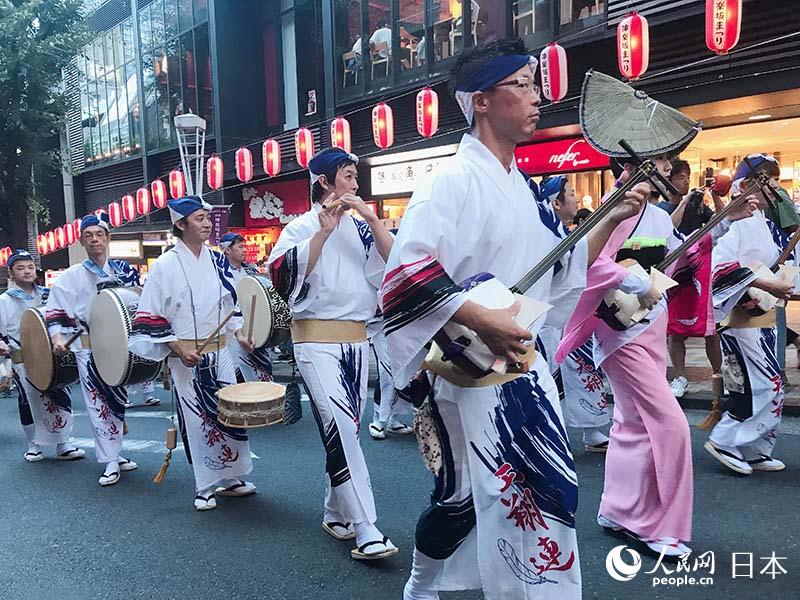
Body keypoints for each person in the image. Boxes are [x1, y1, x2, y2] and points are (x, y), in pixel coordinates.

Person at [384, 39, 648, 600]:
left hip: (521, 364)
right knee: (471, 499)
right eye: (522, 85)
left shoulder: (522, 188)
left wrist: (614, 214)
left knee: (546, 488)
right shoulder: (447, 182)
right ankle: (421, 583)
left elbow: (559, 268)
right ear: (481, 101)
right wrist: (481, 318)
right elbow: (407, 275)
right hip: (467, 370)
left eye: (534, 84)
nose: (536, 98)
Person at [558, 155, 757, 558]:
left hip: (651, 324)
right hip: (621, 331)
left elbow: (676, 259)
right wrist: (627, 275)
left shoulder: (660, 216)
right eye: (658, 163)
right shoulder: (613, 209)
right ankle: (657, 526)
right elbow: (582, 265)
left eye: (666, 163)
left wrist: (722, 225)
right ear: (630, 168)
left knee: (630, 422)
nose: (666, 170)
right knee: (670, 425)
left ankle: (617, 510)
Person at [268, 147, 398, 561]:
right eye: (347, 176)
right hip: (315, 341)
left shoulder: (362, 230)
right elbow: (280, 277)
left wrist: (375, 220)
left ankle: (334, 512)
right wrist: (321, 234)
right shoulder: (299, 227)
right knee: (341, 425)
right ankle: (366, 527)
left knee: (347, 429)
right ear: (323, 182)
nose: (355, 185)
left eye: (355, 177)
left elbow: (394, 264)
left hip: (357, 339)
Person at [129, 196, 257, 511]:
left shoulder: (216, 260)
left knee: (230, 412)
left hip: (220, 351)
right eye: (198, 218)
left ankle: (232, 476)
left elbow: (229, 302)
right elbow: (151, 316)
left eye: (207, 218)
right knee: (197, 418)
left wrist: (240, 334)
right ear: (180, 224)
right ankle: (204, 486)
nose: (206, 223)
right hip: (186, 353)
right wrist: (177, 348)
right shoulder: (164, 265)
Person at [705, 154, 794, 475]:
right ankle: (726, 438)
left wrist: (779, 284)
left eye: (773, 179)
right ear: (745, 186)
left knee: (770, 383)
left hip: (763, 315)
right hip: (740, 315)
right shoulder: (738, 225)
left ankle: (756, 448)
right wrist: (762, 282)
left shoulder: (773, 227)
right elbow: (720, 270)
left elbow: (788, 267)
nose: (772, 185)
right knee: (758, 383)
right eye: (765, 179)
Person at [46, 213, 139, 487]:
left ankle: (115, 452)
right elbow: (55, 310)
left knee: (118, 402)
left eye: (99, 234)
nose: (95, 239)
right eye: (89, 236)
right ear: (81, 241)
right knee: (97, 403)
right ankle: (109, 460)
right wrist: (57, 339)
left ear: (108, 238)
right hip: (88, 349)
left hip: (120, 348)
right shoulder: (72, 276)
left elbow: (137, 299)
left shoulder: (121, 270)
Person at [532, 176, 610, 453]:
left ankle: (591, 429)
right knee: (548, 375)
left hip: (570, 314)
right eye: (572, 193)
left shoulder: (562, 231)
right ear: (556, 202)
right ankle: (548, 434)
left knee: (583, 369)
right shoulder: (541, 230)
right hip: (546, 316)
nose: (577, 198)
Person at [0, 249, 84, 463]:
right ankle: (33, 445)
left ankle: (63, 443)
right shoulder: (4, 300)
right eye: (20, 268)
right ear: (11, 273)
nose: (27, 271)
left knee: (60, 395)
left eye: (29, 267)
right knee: (27, 399)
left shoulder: (48, 294)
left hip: (51, 354)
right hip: (22, 356)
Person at [656, 159, 725, 399]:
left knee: (710, 327)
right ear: (669, 181)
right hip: (675, 274)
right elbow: (667, 230)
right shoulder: (662, 210)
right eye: (680, 177)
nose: (685, 181)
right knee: (675, 329)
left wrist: (714, 196)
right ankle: (679, 376)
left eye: (687, 177)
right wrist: (684, 202)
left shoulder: (699, 207)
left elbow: (719, 223)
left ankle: (718, 373)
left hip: (701, 271)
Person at [219, 232, 273, 383]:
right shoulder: (219, 274)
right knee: (237, 379)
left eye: (245, 247)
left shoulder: (252, 272)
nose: (245, 250)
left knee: (261, 379)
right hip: (231, 332)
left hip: (255, 330)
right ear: (227, 250)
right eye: (240, 246)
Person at [367, 310, 413, 440]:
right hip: (382, 324)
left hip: (405, 323)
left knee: (405, 371)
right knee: (386, 372)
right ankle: (378, 419)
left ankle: (394, 418)